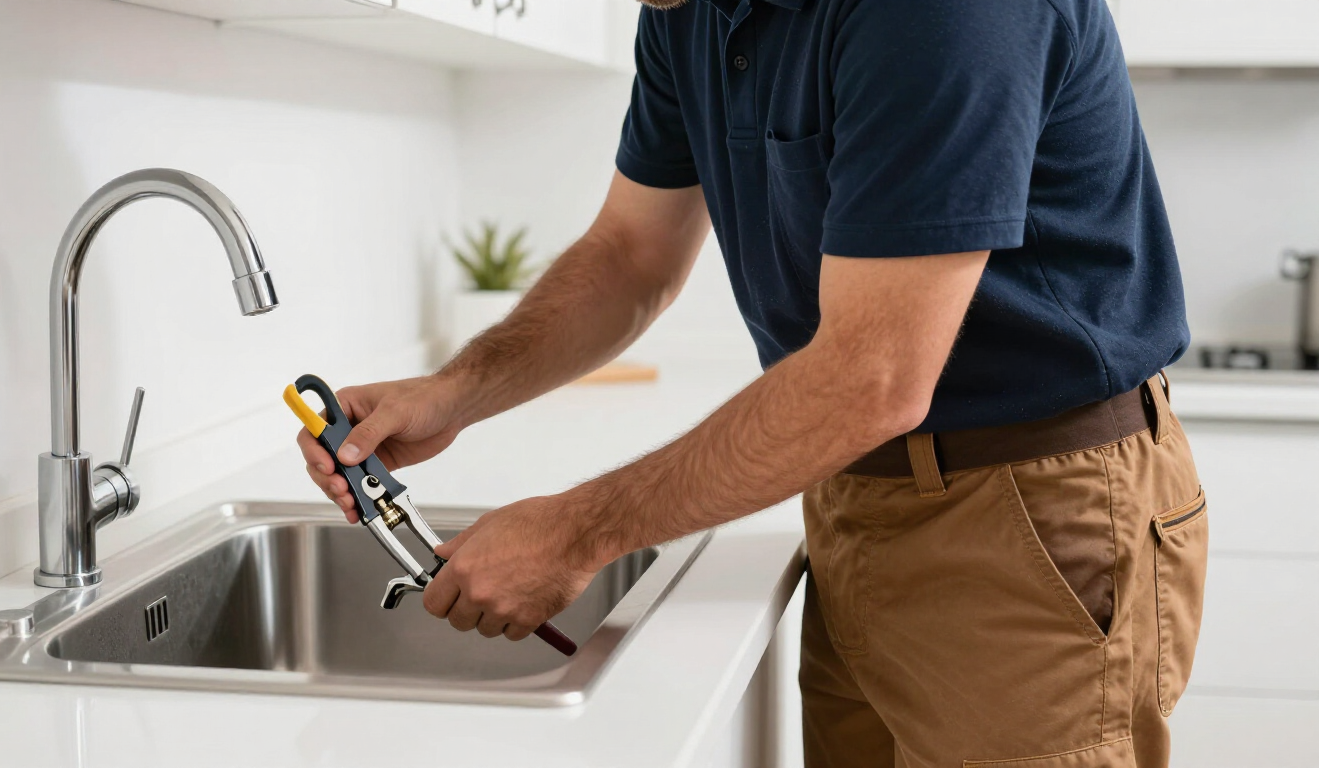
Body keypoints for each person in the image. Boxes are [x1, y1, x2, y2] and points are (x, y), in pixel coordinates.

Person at [296, 1, 1209, 765]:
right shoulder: (684, 13)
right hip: (852, 496)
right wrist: (450, 394)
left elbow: (875, 376)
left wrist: (575, 533)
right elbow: (631, 254)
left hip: (1028, 517)